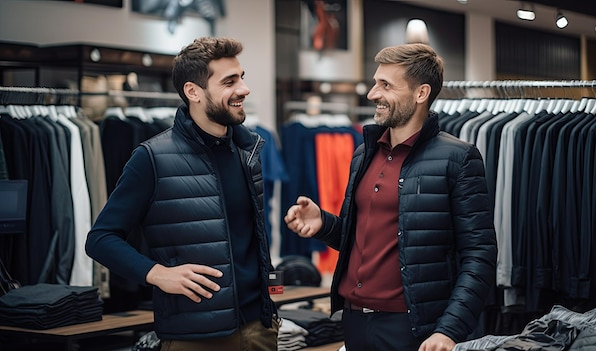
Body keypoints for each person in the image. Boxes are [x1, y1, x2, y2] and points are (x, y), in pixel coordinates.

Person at [284, 43, 497, 351]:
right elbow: (362, 236)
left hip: (410, 327)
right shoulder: (364, 153)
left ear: (421, 93)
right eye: (375, 83)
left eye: (385, 85)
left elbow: (480, 255)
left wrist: (449, 330)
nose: (372, 94)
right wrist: (323, 225)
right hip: (355, 320)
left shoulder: (459, 158)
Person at [86, 37, 279, 350]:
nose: (243, 89)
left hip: (259, 328)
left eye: (241, 78)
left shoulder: (248, 150)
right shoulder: (152, 157)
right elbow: (101, 239)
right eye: (229, 82)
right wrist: (157, 273)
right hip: (195, 336)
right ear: (193, 92)